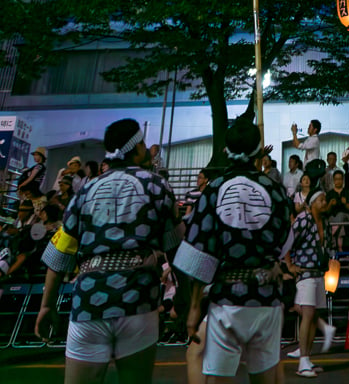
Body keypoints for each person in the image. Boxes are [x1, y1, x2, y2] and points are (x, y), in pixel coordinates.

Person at [36, 117, 183, 384]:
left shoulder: (86, 190)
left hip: (88, 302)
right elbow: (176, 250)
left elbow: (59, 254)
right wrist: (184, 300)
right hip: (138, 302)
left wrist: (47, 305)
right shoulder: (157, 186)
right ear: (136, 148)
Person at [174, 115, 291, 384]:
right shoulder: (275, 190)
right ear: (259, 151)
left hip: (226, 299)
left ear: (227, 151)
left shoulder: (213, 190)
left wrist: (193, 309)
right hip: (266, 299)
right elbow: (284, 240)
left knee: (219, 379)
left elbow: (199, 253)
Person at [282, 185, 337, 377]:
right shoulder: (304, 219)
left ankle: (307, 358)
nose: (324, 203)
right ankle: (302, 361)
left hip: (319, 273)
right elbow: (287, 241)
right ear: (312, 203)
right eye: (321, 200)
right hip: (305, 274)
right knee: (307, 314)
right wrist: (289, 265)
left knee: (313, 317)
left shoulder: (326, 222)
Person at [325, 169, 349, 247]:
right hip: (333, 217)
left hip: (345, 216)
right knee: (335, 221)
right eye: (336, 179)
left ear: (343, 180)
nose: (338, 181)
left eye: (340, 179)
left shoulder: (347, 192)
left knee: (340, 215)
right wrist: (330, 204)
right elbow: (327, 211)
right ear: (333, 180)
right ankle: (340, 247)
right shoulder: (330, 194)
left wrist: (345, 203)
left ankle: (333, 235)